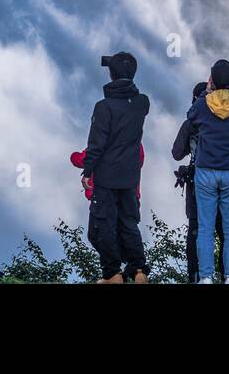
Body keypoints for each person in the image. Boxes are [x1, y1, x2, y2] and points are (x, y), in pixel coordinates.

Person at [180, 60, 229, 284]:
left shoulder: (204, 105)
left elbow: (190, 115)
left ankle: (205, 277)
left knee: (204, 227)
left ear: (211, 81)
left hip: (205, 172)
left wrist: (207, 92)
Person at [81, 52, 151, 284]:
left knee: (104, 225)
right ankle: (139, 270)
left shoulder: (104, 107)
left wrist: (87, 171)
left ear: (111, 75)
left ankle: (112, 274)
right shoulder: (142, 103)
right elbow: (131, 94)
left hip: (106, 176)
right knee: (129, 222)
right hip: (130, 175)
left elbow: (96, 144)